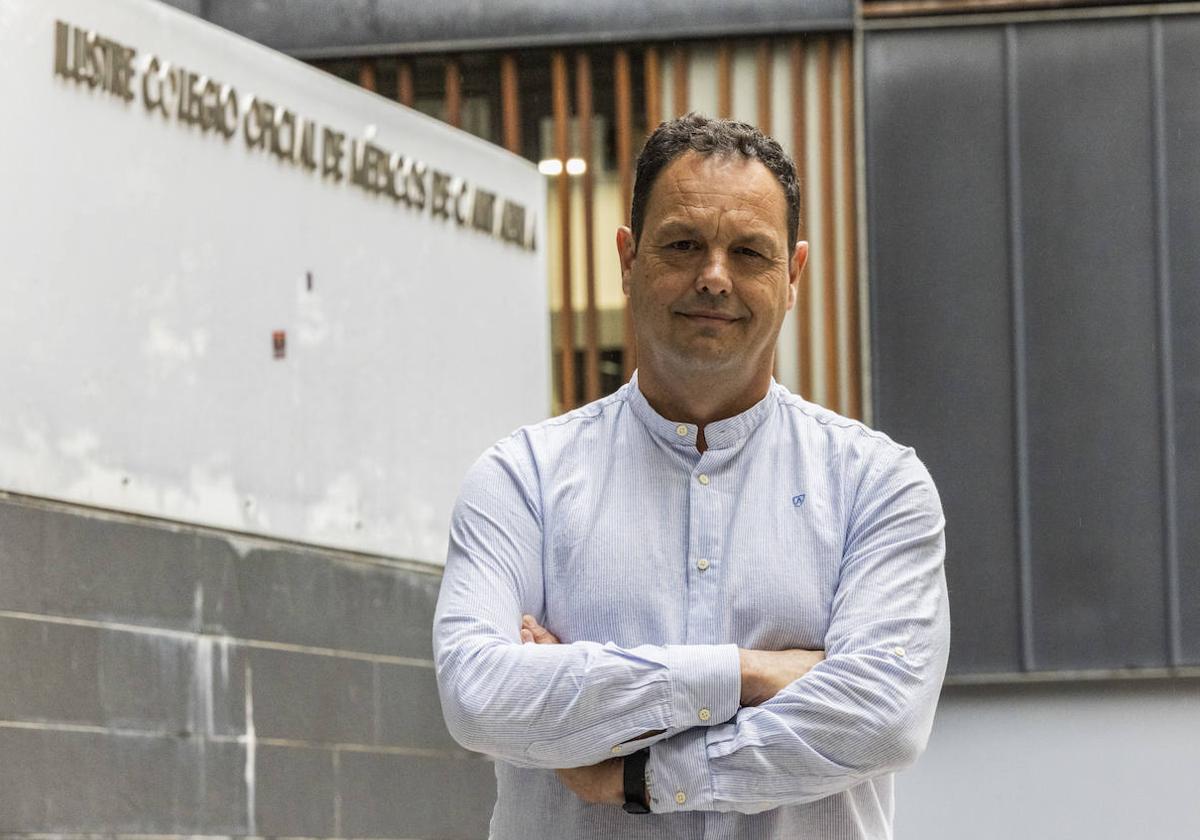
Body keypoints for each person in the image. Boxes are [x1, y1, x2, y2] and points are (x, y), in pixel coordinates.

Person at [433, 114, 949, 839]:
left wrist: (636, 775)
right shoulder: (524, 482)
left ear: (793, 275)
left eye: (749, 252)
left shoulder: (878, 488)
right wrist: (751, 673)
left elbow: (883, 718)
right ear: (627, 257)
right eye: (682, 244)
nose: (713, 276)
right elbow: (479, 697)